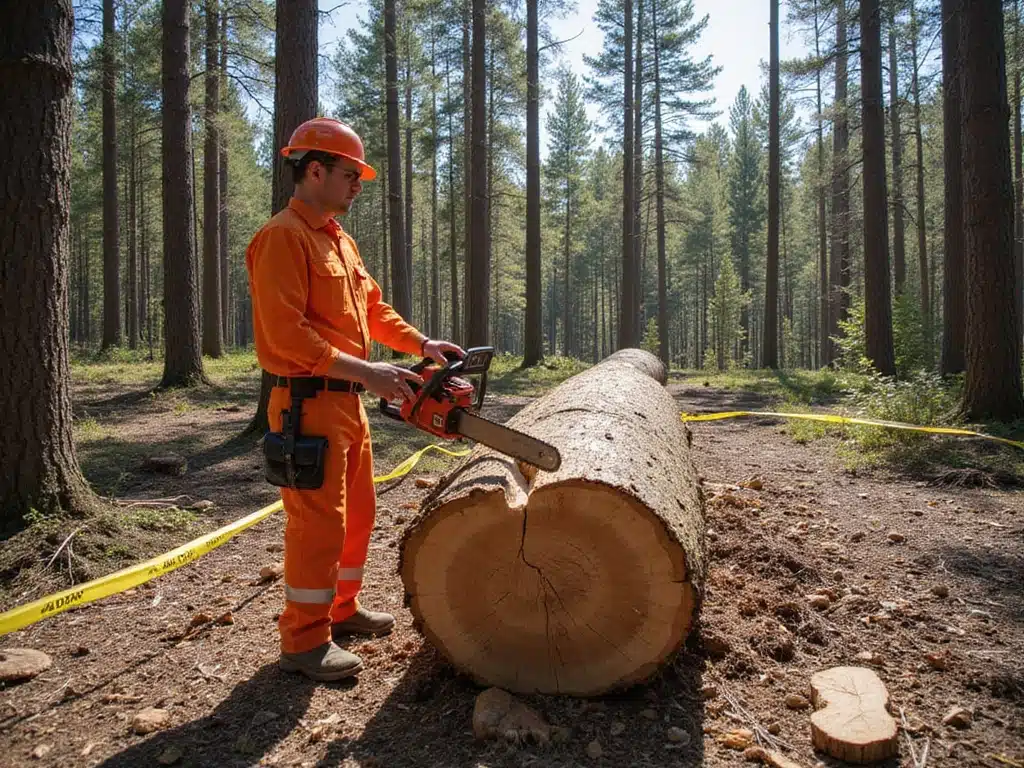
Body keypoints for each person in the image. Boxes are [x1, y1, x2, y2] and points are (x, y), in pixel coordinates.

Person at [245, 117, 464, 682]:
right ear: (314, 171)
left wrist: (420, 344)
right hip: (306, 403)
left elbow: (372, 310)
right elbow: (286, 335)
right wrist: (367, 372)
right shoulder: (282, 238)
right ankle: (303, 639)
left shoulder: (339, 240)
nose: (357, 186)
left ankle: (341, 610)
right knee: (317, 526)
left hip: (347, 404)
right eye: (350, 175)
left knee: (358, 514)